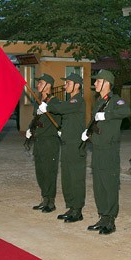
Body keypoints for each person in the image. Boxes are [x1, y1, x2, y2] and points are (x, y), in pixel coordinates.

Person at [82, 69, 131, 235]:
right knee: (99, 185)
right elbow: (94, 119)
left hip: (109, 149)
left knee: (109, 185)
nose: (95, 83)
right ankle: (102, 216)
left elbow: (126, 112)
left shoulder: (115, 101)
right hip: (97, 147)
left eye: (97, 81)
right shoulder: (99, 101)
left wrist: (107, 114)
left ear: (106, 83)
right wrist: (87, 132)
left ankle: (110, 220)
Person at [38, 73, 86, 222]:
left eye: (69, 83)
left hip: (75, 144)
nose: (66, 86)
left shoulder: (78, 100)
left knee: (75, 178)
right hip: (66, 142)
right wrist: (62, 130)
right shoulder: (70, 100)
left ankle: (77, 210)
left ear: (77, 85)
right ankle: (71, 207)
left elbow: (63, 108)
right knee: (67, 178)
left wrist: (49, 106)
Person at [28, 74, 61, 213]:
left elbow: (59, 119)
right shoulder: (37, 101)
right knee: (40, 171)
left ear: (48, 85)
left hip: (49, 141)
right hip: (39, 140)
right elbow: (35, 118)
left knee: (49, 171)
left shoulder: (55, 102)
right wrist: (30, 129)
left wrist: (48, 108)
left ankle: (51, 201)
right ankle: (44, 198)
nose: (38, 85)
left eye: (41, 83)